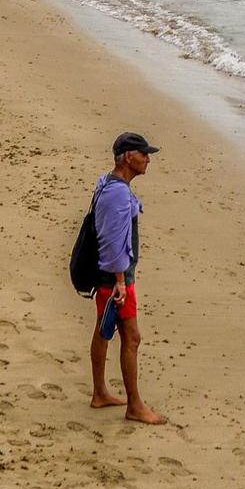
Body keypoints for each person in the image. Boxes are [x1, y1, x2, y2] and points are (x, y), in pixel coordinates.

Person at [89, 131, 166, 424]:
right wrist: (121, 281)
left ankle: (100, 393)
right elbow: (112, 240)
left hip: (106, 275)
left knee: (102, 330)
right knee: (131, 337)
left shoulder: (107, 183)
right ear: (128, 157)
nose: (148, 159)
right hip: (116, 279)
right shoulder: (118, 192)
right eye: (143, 154)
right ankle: (134, 405)